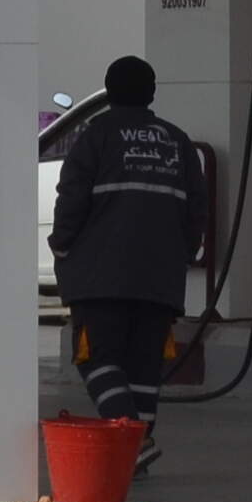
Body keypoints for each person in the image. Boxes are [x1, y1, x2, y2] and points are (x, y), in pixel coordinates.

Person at [50, 54, 210, 454]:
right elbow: (197, 210)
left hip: (101, 276)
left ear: (108, 93)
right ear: (152, 93)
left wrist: (62, 246)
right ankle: (139, 445)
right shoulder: (177, 141)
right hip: (160, 279)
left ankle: (132, 443)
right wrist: (182, 255)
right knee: (143, 367)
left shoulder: (95, 137)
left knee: (97, 359)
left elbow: (71, 200)